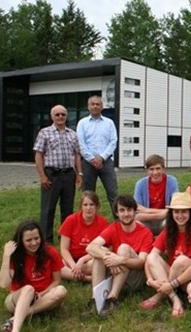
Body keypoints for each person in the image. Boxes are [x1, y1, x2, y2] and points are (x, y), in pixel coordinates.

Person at [141, 192, 191, 318]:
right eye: (176, 212)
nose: (180, 215)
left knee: (181, 260)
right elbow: (150, 258)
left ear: (190, 213)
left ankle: (160, 295)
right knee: (151, 257)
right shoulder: (168, 231)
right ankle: (175, 299)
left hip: (190, 279)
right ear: (171, 214)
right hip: (172, 275)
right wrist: (150, 280)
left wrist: (171, 284)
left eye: (184, 212)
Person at [86, 195, 153, 317]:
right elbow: (90, 247)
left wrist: (121, 260)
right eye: (122, 210)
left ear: (134, 212)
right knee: (98, 253)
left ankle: (112, 299)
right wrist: (108, 257)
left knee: (124, 248)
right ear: (117, 213)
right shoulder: (113, 228)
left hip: (135, 278)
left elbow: (142, 262)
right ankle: (95, 300)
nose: (126, 214)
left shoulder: (145, 232)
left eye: (129, 210)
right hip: (117, 274)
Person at [0, 221, 67, 332]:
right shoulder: (15, 255)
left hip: (42, 297)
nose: (34, 243)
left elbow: (56, 281)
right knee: (29, 289)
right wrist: (6, 256)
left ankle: (15, 318)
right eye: (28, 240)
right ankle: (16, 329)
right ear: (21, 241)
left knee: (61, 291)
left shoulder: (51, 252)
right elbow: (3, 284)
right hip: (17, 299)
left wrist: (42, 293)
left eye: (36, 238)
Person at [33, 105, 82, 244]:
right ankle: (46, 241)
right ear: (52, 116)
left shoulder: (72, 134)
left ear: (66, 116)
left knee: (68, 209)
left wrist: (79, 174)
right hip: (51, 174)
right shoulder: (45, 132)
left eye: (63, 114)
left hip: (68, 174)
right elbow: (38, 155)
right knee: (48, 208)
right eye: (57, 114)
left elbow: (77, 155)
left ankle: (65, 238)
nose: (60, 117)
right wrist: (42, 176)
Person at [77, 95, 119, 216]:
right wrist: (92, 159)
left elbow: (113, 141)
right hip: (88, 163)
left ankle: (119, 223)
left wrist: (101, 158)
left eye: (98, 104)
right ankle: (88, 221)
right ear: (88, 107)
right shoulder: (82, 123)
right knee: (88, 195)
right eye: (93, 104)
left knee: (113, 193)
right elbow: (81, 143)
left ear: (102, 107)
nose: (95, 106)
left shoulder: (109, 123)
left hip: (106, 162)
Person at [58, 191, 109, 282]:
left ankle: (74, 275)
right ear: (81, 206)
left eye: (91, 204)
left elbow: (102, 248)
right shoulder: (70, 220)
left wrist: (82, 260)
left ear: (97, 206)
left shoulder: (103, 223)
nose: (88, 208)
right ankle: (87, 278)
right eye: (85, 205)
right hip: (71, 260)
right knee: (57, 265)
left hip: (90, 259)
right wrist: (73, 265)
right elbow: (64, 248)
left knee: (100, 260)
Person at [134, 154, 179, 236]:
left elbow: (175, 206)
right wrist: (162, 213)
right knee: (135, 223)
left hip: (165, 220)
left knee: (175, 222)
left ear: (163, 169)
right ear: (147, 170)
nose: (155, 172)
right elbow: (137, 210)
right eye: (151, 169)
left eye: (158, 168)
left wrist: (146, 210)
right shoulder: (140, 184)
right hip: (147, 221)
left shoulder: (172, 181)